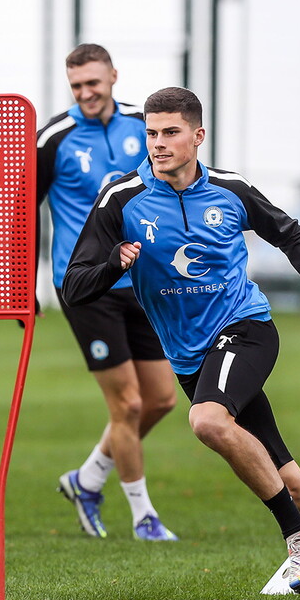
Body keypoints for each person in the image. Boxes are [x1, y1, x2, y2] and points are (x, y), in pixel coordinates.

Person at [61, 86, 300, 600]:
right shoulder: (121, 199)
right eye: (151, 134)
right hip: (189, 357)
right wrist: (114, 263)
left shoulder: (230, 190)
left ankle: (298, 540)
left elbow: (291, 234)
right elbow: (74, 285)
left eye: (170, 133)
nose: (158, 144)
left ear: (197, 136)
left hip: (245, 329)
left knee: (206, 420)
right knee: (291, 482)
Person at [37, 44, 178, 540]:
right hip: (85, 286)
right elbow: (20, 208)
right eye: (76, 85)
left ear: (113, 76)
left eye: (93, 82)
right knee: (129, 406)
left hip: (140, 281)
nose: (86, 93)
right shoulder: (54, 137)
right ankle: (143, 516)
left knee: (162, 399)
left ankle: (88, 478)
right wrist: (20, 284)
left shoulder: (145, 126)